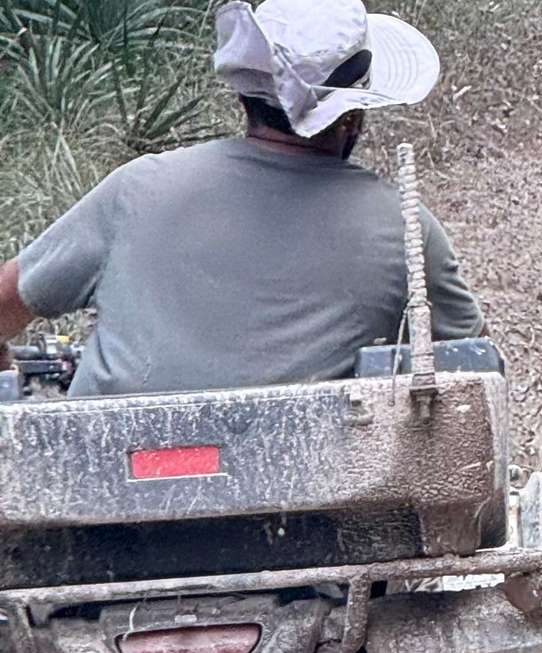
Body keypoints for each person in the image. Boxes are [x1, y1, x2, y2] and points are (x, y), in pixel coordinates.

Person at [0, 0, 482, 397]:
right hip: (312, 494)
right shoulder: (405, 228)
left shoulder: (137, 188)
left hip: (100, 484)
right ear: (354, 115)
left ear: (244, 96)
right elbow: (474, 368)